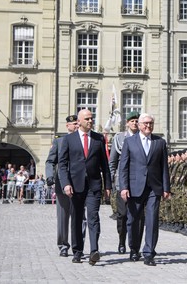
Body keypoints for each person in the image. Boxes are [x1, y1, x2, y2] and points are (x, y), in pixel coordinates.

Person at [58, 109, 112, 265]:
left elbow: (104, 164)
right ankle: (78, 251)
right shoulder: (69, 140)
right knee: (76, 218)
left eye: (92, 118)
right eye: (87, 118)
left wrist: (107, 184)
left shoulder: (98, 139)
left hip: (94, 185)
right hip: (75, 186)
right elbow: (62, 164)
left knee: (93, 217)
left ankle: (94, 250)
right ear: (79, 121)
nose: (90, 121)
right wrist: (66, 183)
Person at [119, 113, 170, 266]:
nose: (148, 126)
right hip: (134, 187)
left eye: (151, 123)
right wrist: (124, 187)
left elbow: (164, 167)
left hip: (154, 187)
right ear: (139, 125)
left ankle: (149, 253)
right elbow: (124, 167)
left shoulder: (159, 142)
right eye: (146, 123)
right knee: (133, 219)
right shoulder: (129, 142)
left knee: (152, 220)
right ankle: (134, 249)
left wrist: (166, 187)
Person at [45, 114, 79, 257]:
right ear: (68, 126)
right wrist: (50, 176)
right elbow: (50, 161)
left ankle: (79, 245)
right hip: (61, 183)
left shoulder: (83, 141)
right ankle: (63, 245)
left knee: (80, 217)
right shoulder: (59, 141)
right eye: (74, 124)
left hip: (79, 183)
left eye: (78, 123)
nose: (77, 126)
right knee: (63, 216)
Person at [109, 111, 141, 254]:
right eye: (132, 120)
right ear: (127, 123)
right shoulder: (119, 138)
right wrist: (111, 182)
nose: (134, 123)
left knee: (138, 216)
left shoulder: (143, 138)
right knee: (122, 215)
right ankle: (122, 241)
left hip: (139, 182)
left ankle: (134, 245)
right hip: (122, 182)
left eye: (136, 120)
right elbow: (113, 162)